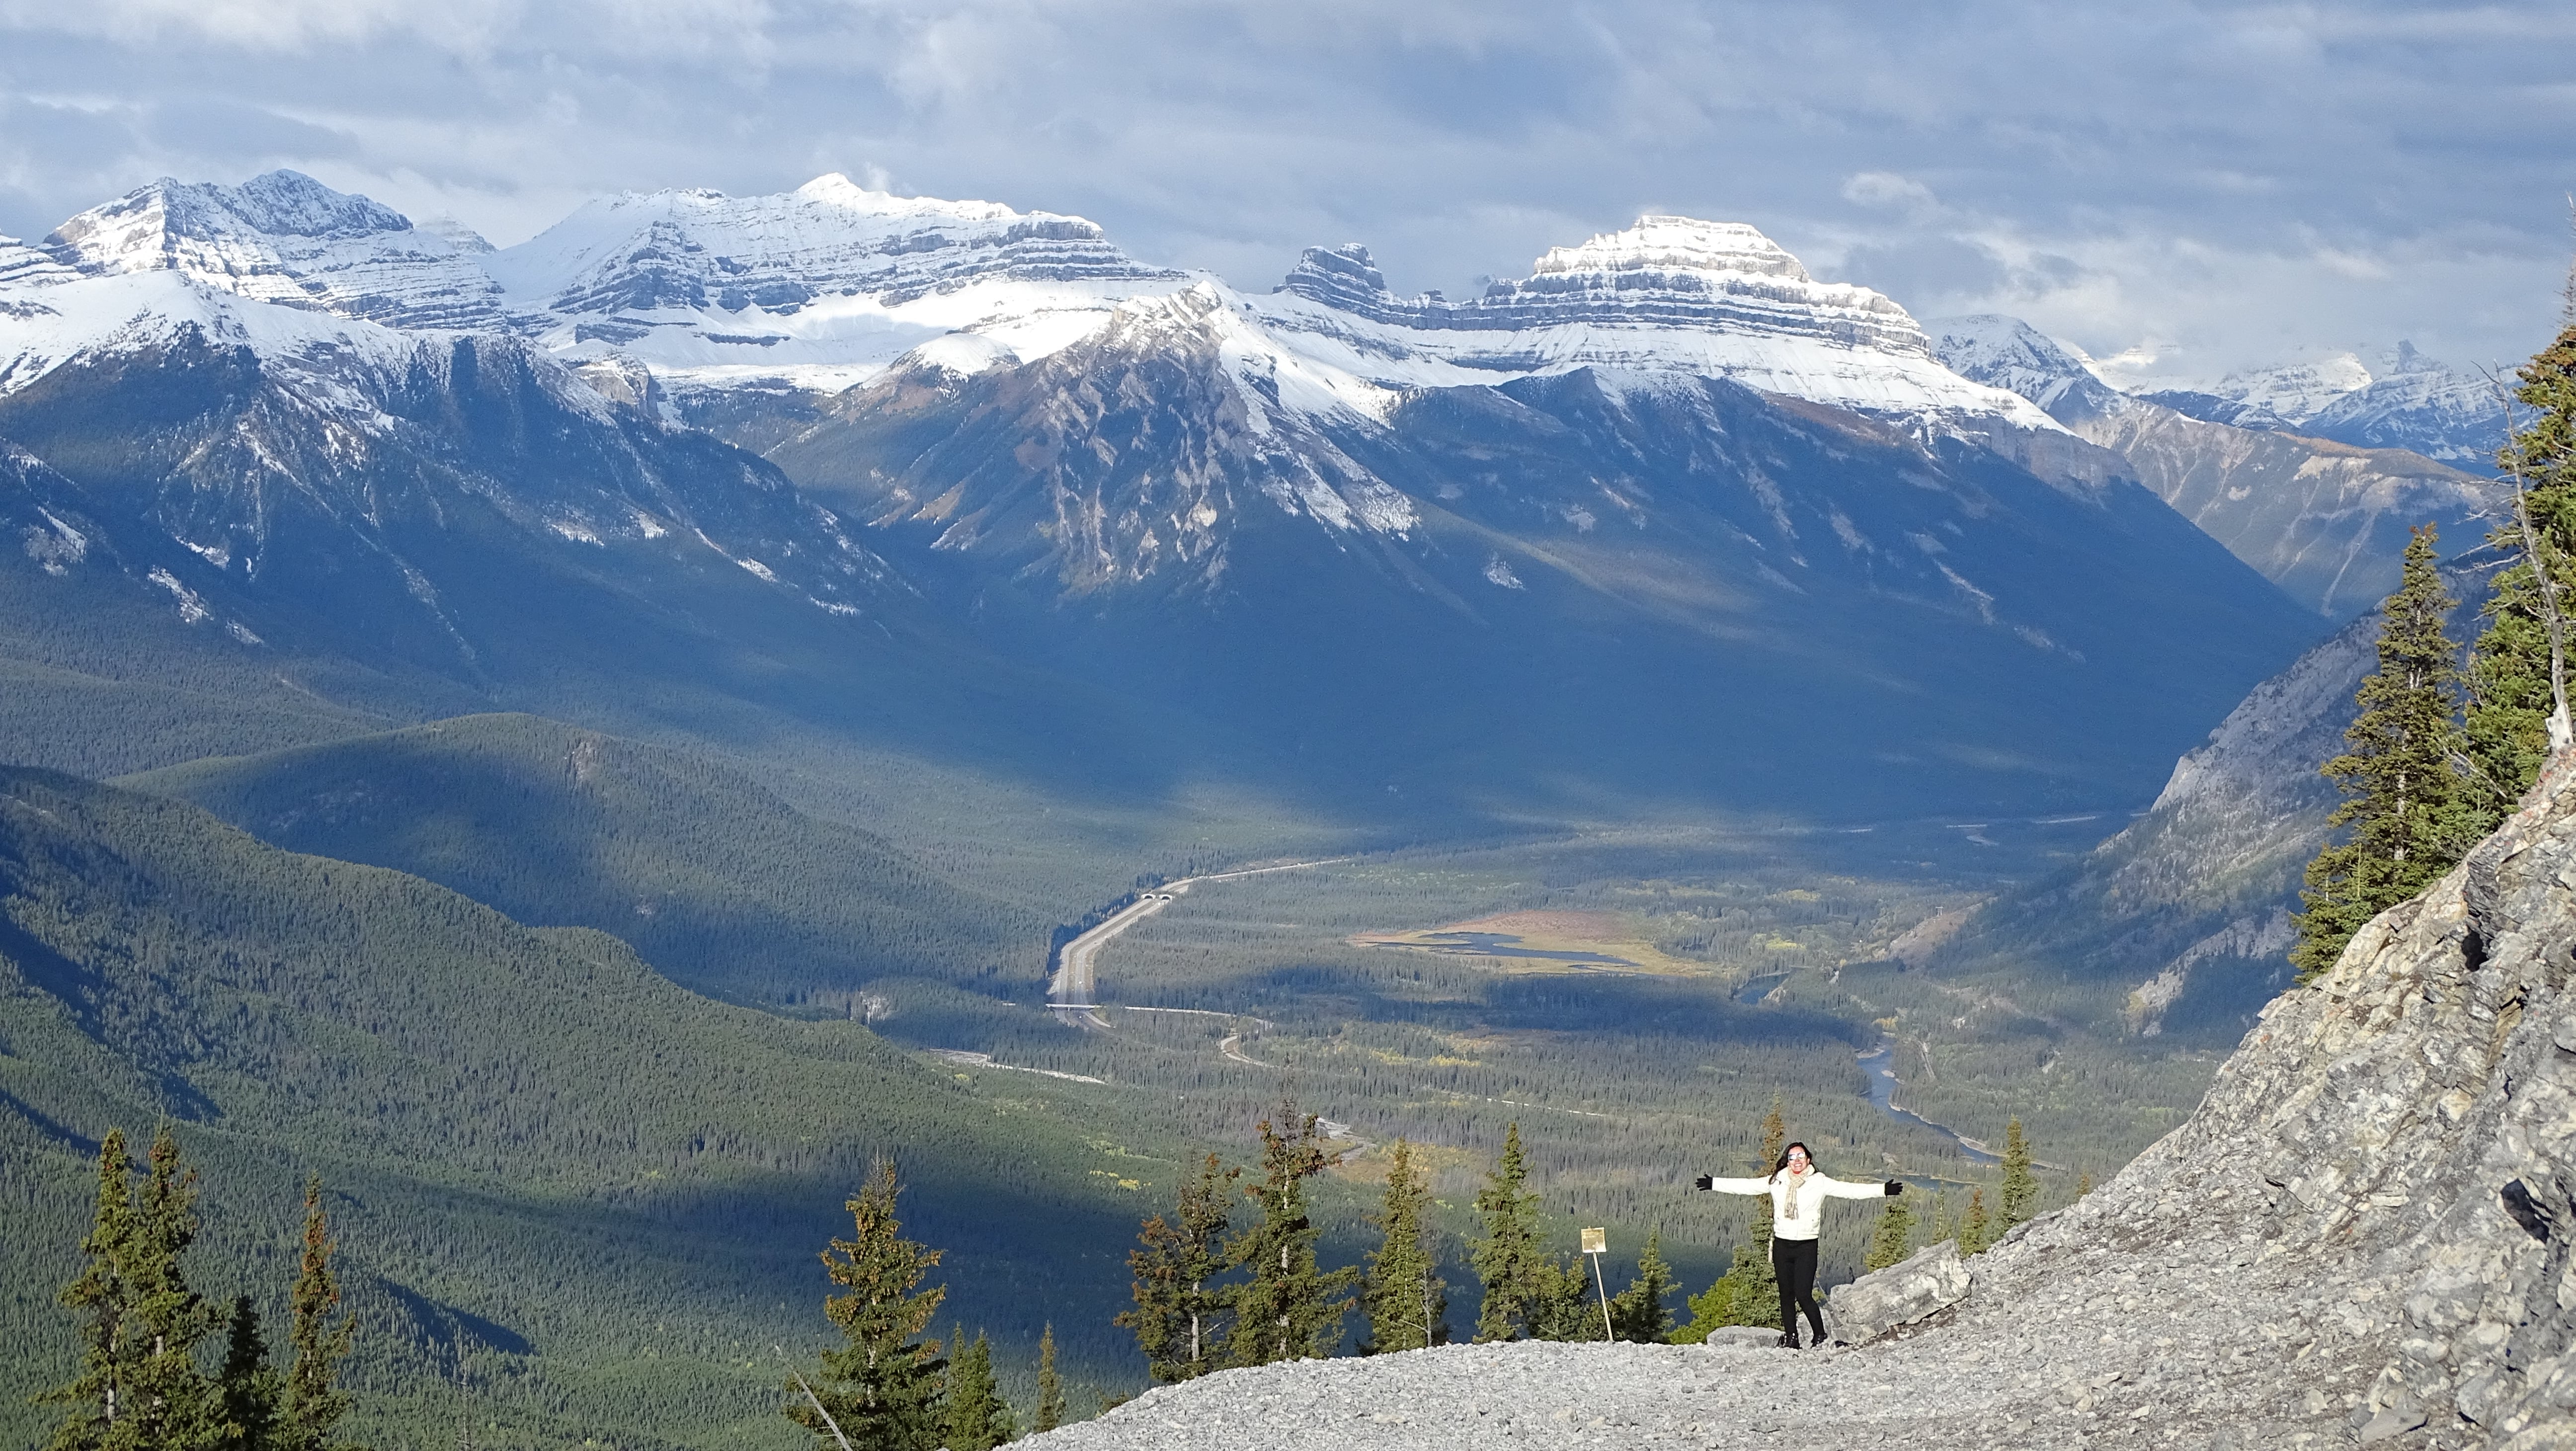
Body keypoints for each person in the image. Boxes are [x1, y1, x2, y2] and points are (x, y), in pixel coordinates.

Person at [1693, 1140, 1903, 1349]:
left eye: (1800, 1157)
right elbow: (1748, 1186)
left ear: (1808, 1159)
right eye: (1792, 1157)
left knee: (1803, 1294)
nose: (1796, 1161)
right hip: (1782, 1246)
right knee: (1786, 1294)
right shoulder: (1777, 1180)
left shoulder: (1820, 1182)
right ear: (1787, 1160)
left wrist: (1884, 1190)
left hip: (1806, 1246)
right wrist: (1714, 1184)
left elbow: (1850, 1190)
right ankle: (1792, 1339)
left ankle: (1819, 1335)